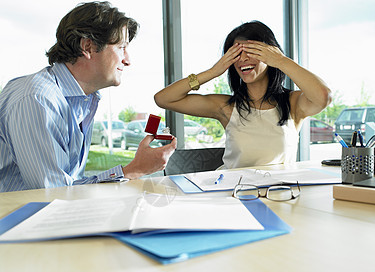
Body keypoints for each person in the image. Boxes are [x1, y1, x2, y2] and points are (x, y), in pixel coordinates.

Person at [0, 1, 176, 193]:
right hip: (16, 220)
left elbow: (70, 186)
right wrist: (134, 170)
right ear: (88, 46)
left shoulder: (84, 99)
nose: (128, 60)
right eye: (121, 47)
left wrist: (132, 170)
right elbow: (53, 195)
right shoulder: (38, 99)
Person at [154, 21, 331, 169]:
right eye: (236, 53)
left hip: (280, 196)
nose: (243, 59)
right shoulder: (225, 107)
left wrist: (280, 60)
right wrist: (213, 71)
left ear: (269, 54)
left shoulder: (293, 104)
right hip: (234, 196)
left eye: (251, 51)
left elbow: (323, 96)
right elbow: (163, 98)